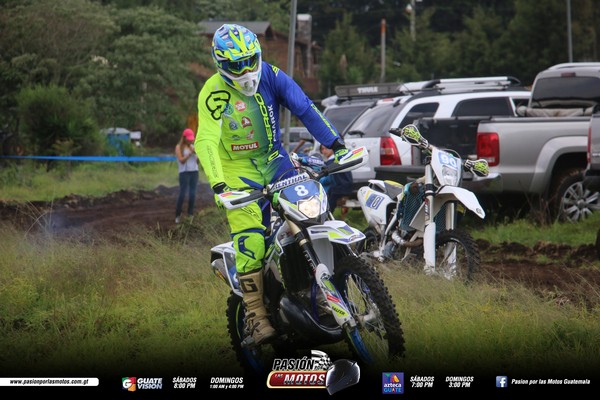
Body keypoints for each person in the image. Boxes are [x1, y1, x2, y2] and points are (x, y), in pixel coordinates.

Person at [195, 23, 348, 345]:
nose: (244, 70)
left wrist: (336, 144)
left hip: (274, 159)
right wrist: (219, 185)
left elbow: (304, 107)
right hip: (235, 169)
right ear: (220, 64)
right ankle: (255, 314)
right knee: (251, 239)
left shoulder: (273, 75)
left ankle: (320, 292)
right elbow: (206, 140)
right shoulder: (212, 91)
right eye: (235, 65)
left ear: (259, 55)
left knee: (311, 214)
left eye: (249, 61)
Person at [319, 144, 353, 216]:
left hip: (339, 188)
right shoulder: (340, 159)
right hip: (346, 187)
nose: (324, 151)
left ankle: (325, 216)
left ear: (332, 149)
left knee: (327, 205)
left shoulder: (331, 163)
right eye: (322, 149)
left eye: (326, 148)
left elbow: (327, 180)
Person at [175, 128, 199, 224]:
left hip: (194, 172)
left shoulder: (193, 146)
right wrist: (190, 154)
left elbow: (197, 162)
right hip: (184, 172)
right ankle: (178, 215)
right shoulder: (179, 147)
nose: (190, 141)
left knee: (192, 194)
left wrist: (197, 154)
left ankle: (190, 215)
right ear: (184, 138)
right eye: (189, 139)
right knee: (182, 193)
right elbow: (181, 160)